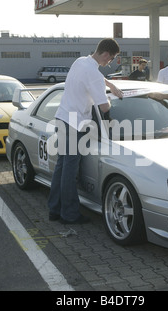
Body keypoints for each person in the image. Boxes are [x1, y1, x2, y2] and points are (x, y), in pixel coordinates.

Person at [48, 38, 123, 225]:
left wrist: (110, 85)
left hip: (63, 117)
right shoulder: (94, 74)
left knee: (62, 166)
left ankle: (55, 210)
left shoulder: (80, 61)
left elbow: (95, 76)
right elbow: (104, 108)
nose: (110, 62)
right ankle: (70, 214)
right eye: (111, 58)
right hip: (75, 123)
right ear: (105, 54)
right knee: (70, 170)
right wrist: (112, 96)